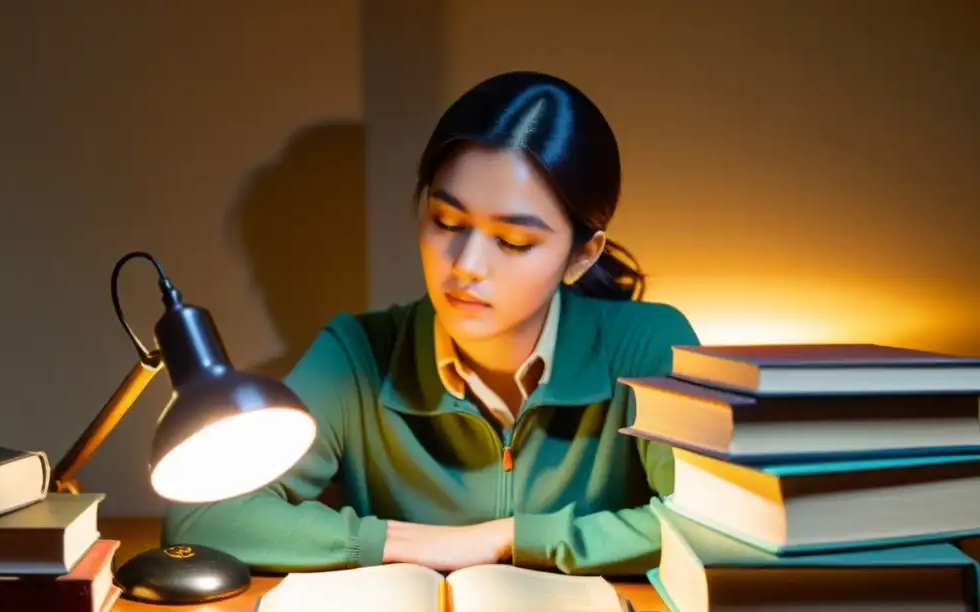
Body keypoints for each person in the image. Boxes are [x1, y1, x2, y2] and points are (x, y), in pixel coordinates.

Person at [162, 71, 699, 575]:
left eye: (512, 241)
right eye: (447, 222)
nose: (466, 264)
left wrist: (514, 538)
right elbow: (200, 519)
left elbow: (716, 524)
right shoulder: (357, 356)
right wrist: (405, 544)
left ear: (582, 256)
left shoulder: (647, 347)